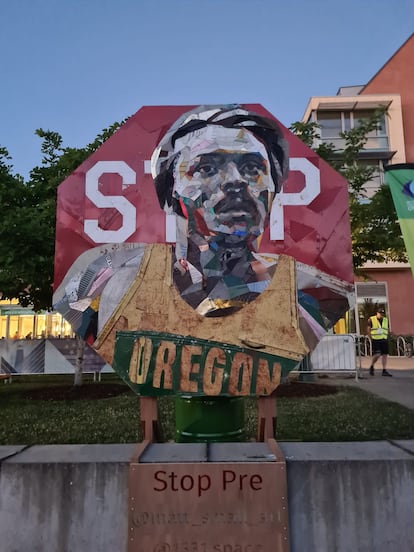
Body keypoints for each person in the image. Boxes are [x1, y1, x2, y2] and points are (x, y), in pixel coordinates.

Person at [367, 308, 392, 376]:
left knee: (384, 355)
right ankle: (372, 366)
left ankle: (384, 370)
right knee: (377, 354)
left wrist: (388, 336)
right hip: (376, 339)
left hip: (384, 339)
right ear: (377, 313)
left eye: (382, 313)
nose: (381, 315)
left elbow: (387, 329)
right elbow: (368, 329)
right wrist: (370, 337)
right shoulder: (371, 319)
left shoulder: (385, 320)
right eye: (380, 313)